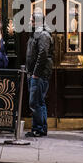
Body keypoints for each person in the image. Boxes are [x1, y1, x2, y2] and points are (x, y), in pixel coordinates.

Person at [25, 8, 53, 137]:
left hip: (39, 75)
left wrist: (35, 73)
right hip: (33, 73)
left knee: (35, 102)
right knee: (39, 101)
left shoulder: (43, 35)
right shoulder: (35, 33)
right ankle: (41, 128)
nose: (29, 22)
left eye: (31, 20)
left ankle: (38, 129)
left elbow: (43, 55)